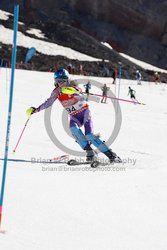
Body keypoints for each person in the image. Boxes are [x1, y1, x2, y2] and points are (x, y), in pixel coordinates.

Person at [27, 68, 119, 163]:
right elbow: (48, 103)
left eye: (63, 80)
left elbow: (81, 95)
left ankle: (111, 155)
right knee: (73, 129)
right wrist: (36, 109)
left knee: (89, 135)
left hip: (84, 113)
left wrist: (72, 92)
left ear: (67, 80)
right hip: (74, 117)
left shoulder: (74, 87)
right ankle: (90, 153)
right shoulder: (56, 92)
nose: (61, 83)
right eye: (58, 81)